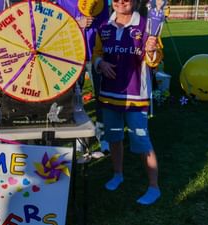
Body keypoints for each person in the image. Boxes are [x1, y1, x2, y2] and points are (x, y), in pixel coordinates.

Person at [93, 0, 163, 205]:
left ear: (135, 1)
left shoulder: (147, 24)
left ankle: (153, 186)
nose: (121, 2)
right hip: (109, 93)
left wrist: (151, 50)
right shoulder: (103, 26)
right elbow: (96, 55)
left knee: (142, 141)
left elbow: (154, 61)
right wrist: (100, 63)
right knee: (114, 137)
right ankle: (118, 174)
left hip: (136, 96)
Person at [55, 0, 110, 158]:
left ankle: (103, 138)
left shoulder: (101, 2)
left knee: (101, 97)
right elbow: (55, 27)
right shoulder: (62, 1)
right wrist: (76, 23)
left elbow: (106, 26)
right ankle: (79, 139)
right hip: (73, 56)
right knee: (76, 100)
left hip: (96, 56)